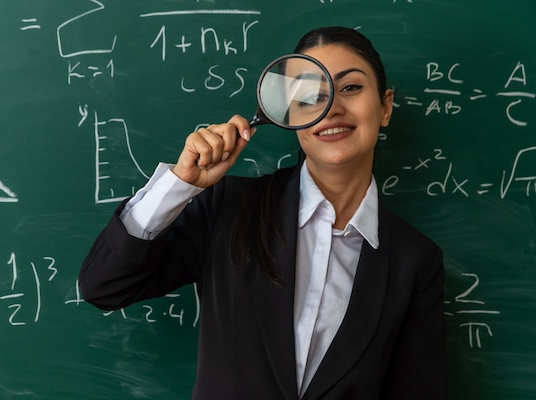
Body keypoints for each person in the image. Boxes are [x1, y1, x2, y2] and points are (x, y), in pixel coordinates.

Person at [79, 26, 446, 400]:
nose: (332, 107)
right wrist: (180, 183)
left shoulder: (416, 260)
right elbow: (104, 286)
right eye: (309, 96)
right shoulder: (229, 208)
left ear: (385, 106)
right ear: (290, 115)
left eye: (350, 88)